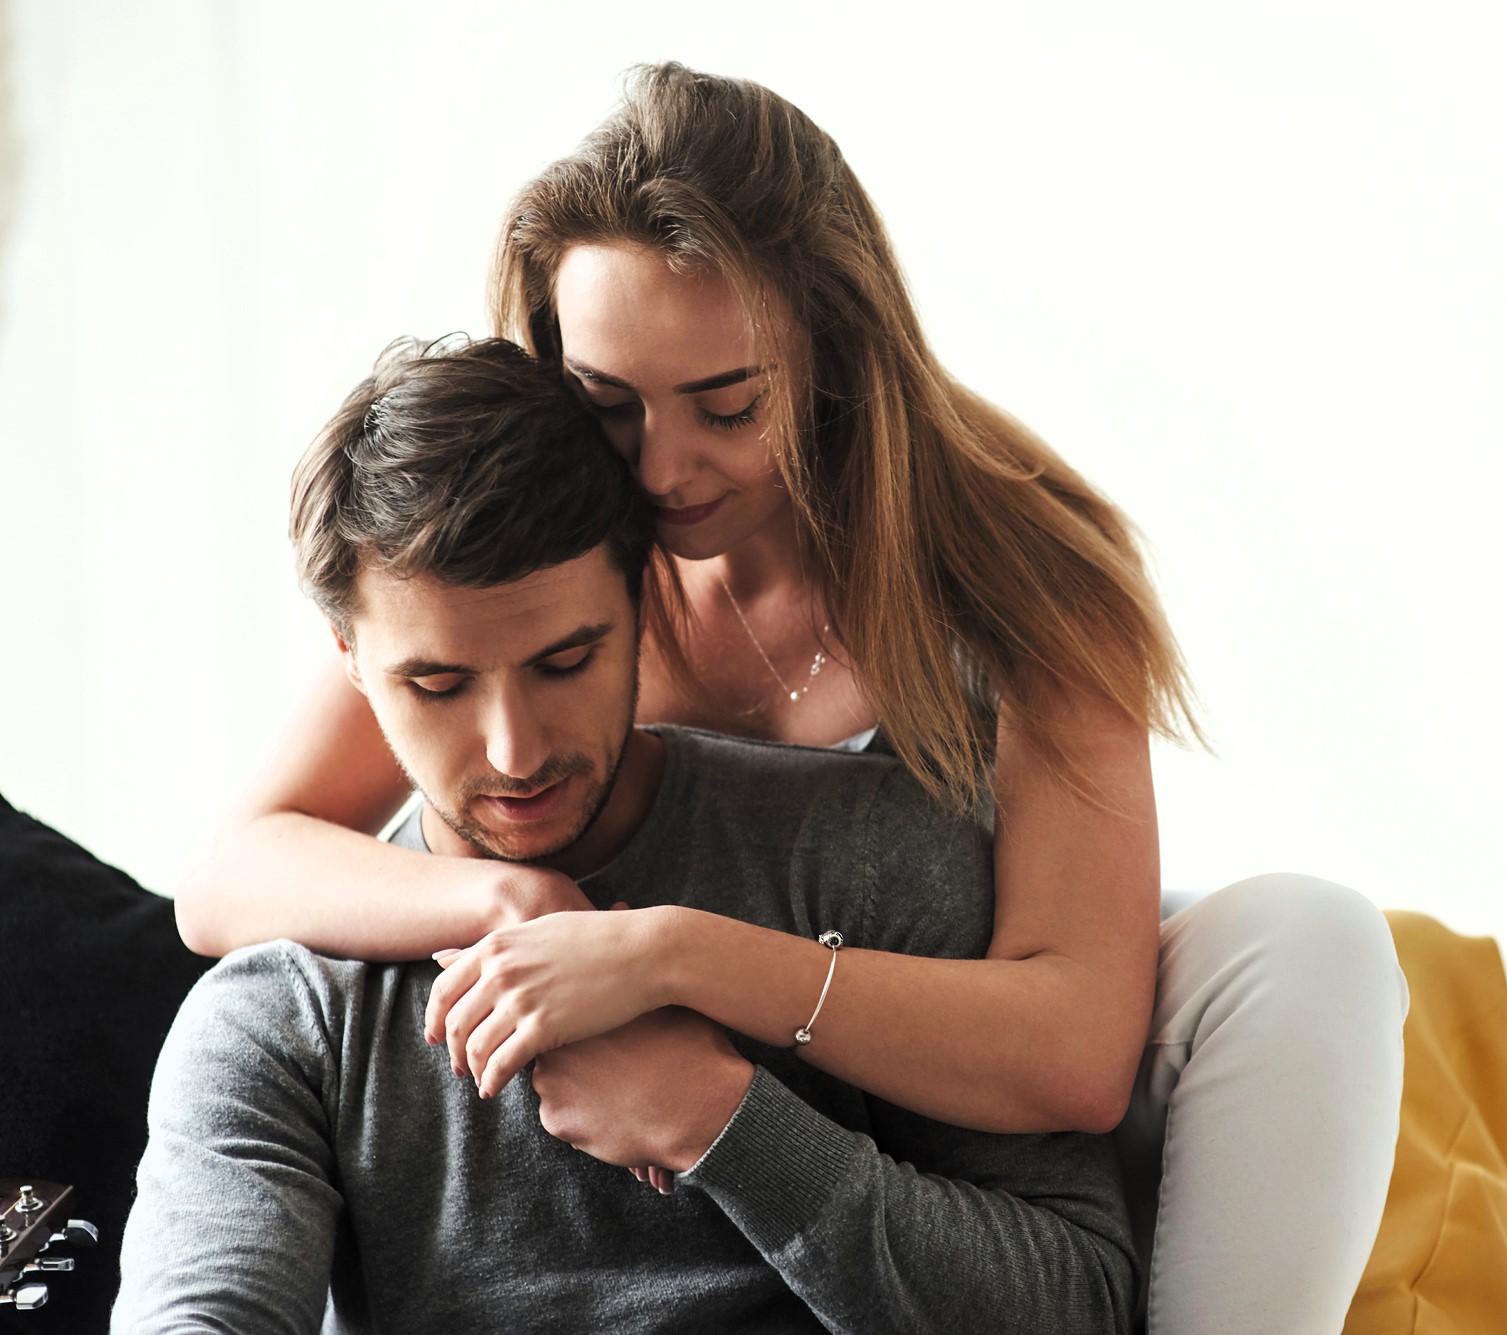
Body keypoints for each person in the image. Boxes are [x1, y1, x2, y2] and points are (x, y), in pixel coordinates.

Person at [171, 63, 1407, 1330]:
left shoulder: (1019, 572)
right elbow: (228, 877)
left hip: (961, 1037)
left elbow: (1078, 1054)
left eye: (725, 405)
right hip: (689, 1111)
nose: (662, 469)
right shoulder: (545, 570)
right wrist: (520, 900)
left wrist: (675, 953)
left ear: (829, 352)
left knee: (1303, 942)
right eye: (608, 405)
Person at [112, 337, 1136, 1334]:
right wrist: (517, 905)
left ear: (641, 598)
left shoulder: (866, 858)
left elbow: (1079, 1302)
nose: (513, 753)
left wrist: (726, 1123)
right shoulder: (287, 1020)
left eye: (565, 662)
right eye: (437, 684)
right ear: (348, 656)